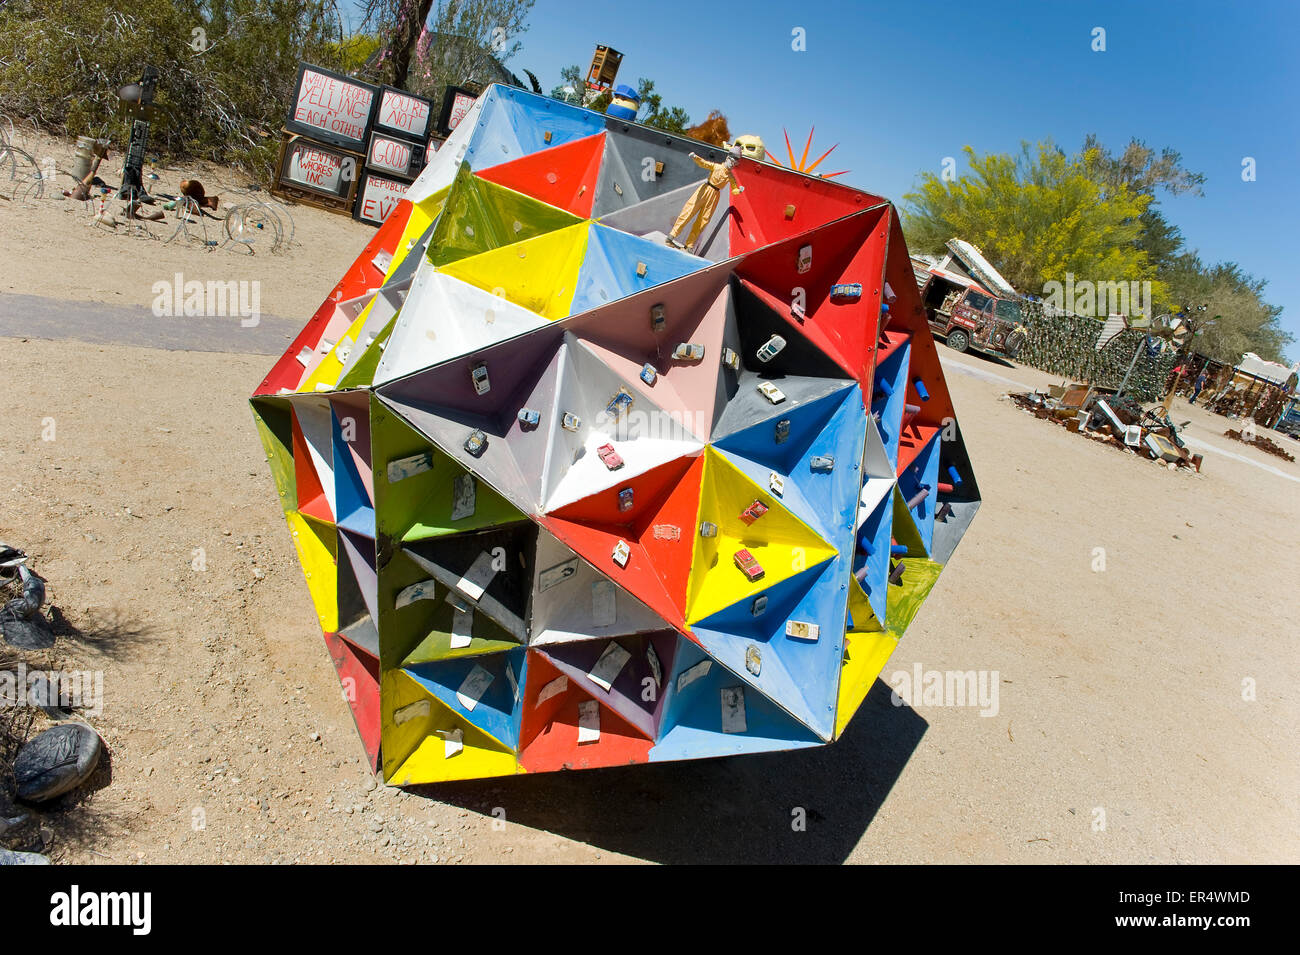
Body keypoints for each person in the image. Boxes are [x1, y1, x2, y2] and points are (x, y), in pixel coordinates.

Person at [666, 145, 743, 252]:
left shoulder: (730, 176)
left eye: (735, 164)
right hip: (705, 190)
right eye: (732, 161)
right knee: (688, 211)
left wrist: (739, 190)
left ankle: (689, 245)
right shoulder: (717, 167)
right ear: (727, 158)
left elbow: (734, 189)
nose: (732, 165)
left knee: (703, 220)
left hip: (715, 196)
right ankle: (671, 236)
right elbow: (704, 163)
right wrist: (695, 157)